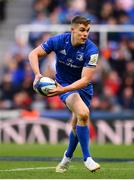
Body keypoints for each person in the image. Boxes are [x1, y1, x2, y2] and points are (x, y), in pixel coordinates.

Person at [28, 15, 100, 173]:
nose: (85, 34)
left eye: (87, 31)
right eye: (81, 30)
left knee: (77, 121)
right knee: (84, 113)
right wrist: (37, 74)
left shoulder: (92, 50)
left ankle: (67, 158)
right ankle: (87, 158)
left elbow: (86, 79)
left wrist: (62, 90)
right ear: (72, 30)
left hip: (82, 87)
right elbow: (33, 54)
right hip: (64, 84)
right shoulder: (58, 41)